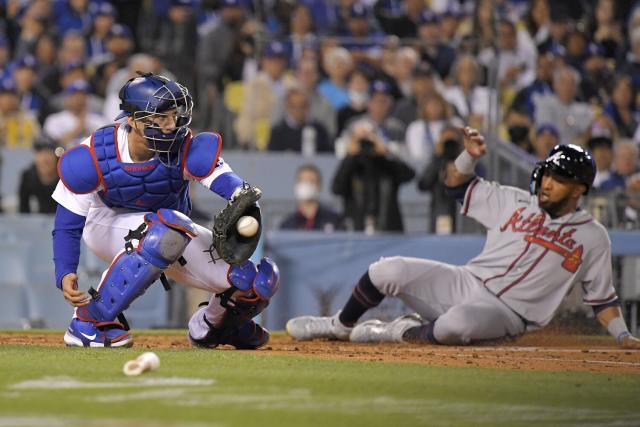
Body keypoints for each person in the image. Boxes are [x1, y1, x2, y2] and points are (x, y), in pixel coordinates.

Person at [286, 126, 640, 349]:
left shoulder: (593, 237)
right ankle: (339, 325)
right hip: (467, 281)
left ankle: (397, 332)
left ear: (579, 189)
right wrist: (468, 157)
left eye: (559, 178)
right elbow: (454, 185)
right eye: (547, 173)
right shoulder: (515, 199)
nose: (547, 182)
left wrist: (622, 336)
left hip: (508, 314)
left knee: (457, 326)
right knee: (386, 270)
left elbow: (602, 301)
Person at [52, 73, 279, 348]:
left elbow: (223, 179)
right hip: (104, 223)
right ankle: (90, 322)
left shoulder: (183, 145)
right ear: (133, 120)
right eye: (160, 117)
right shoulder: (95, 153)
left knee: (255, 282)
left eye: (174, 114)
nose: (171, 125)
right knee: (165, 230)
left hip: (172, 229)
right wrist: (65, 271)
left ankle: (214, 327)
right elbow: (67, 223)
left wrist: (241, 195)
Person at [280, 164, 344, 232]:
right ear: (296, 185)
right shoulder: (287, 225)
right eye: (303, 180)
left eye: (311, 181)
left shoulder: (334, 220)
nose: (307, 185)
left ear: (319, 186)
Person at [19, 135, 59, 214]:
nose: (44, 157)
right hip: (39, 219)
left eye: (48, 151)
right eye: (40, 152)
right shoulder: (29, 176)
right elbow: (23, 208)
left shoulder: (65, 174)